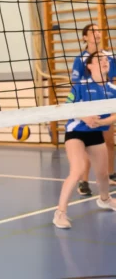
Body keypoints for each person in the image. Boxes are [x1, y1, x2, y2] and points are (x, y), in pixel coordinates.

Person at [54, 50, 116, 229]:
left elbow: (114, 115)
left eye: (106, 59)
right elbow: (67, 108)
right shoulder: (80, 86)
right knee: (78, 169)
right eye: (99, 59)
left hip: (95, 133)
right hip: (77, 132)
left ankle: (104, 199)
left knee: (103, 174)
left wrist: (101, 122)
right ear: (89, 65)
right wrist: (85, 117)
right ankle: (60, 213)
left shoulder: (112, 90)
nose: (105, 61)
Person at [69, 23, 116, 195]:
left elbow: (114, 78)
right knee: (90, 145)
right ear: (85, 37)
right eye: (93, 31)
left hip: (106, 101)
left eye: (98, 30)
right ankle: (84, 181)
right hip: (89, 104)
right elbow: (76, 84)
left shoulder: (109, 56)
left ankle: (111, 174)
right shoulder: (81, 59)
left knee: (109, 141)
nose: (97, 33)